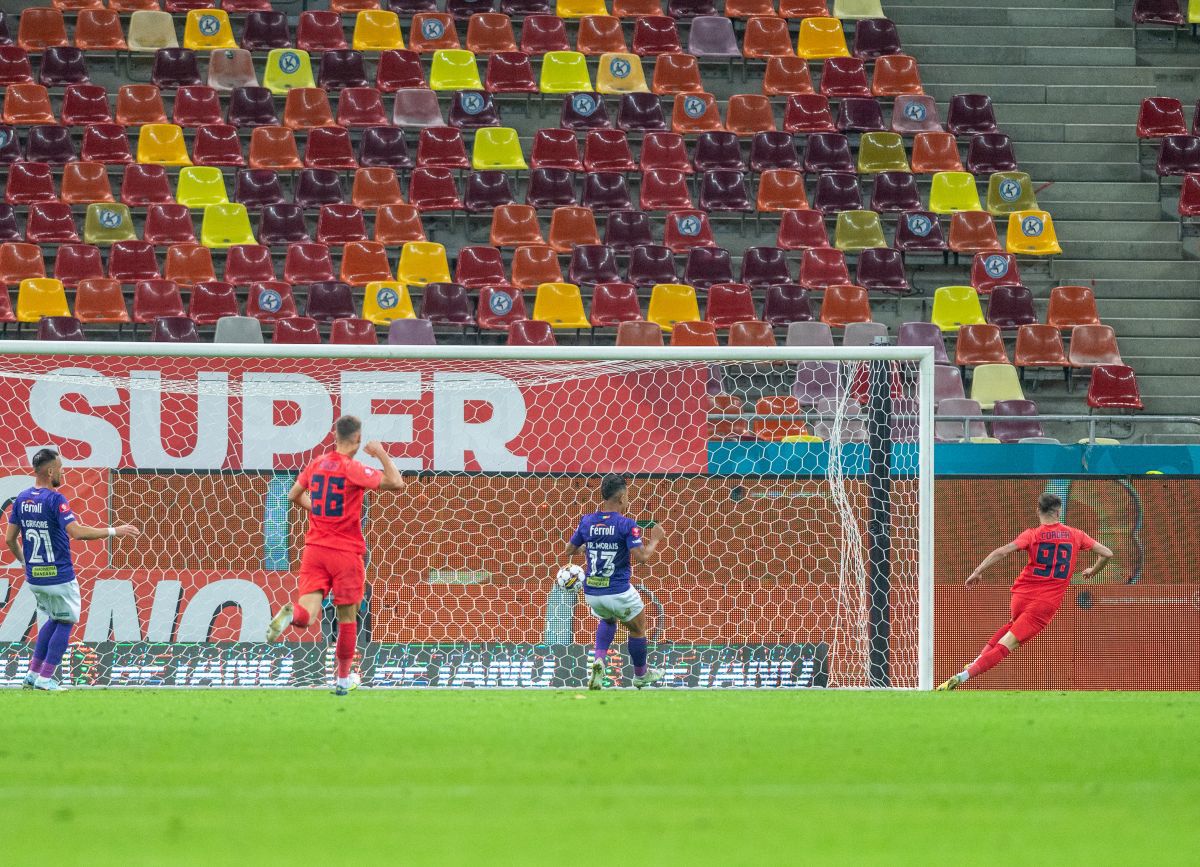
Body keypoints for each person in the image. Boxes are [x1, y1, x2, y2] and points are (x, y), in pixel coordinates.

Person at [265, 416, 403, 696]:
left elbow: (293, 495)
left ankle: (290, 614)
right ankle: (342, 682)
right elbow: (396, 483)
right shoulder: (352, 468)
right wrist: (380, 453)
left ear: (336, 436)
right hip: (346, 553)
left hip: (315, 550)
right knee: (347, 617)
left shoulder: (317, 464)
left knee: (307, 616)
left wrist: (317, 511)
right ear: (357, 439)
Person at [937, 492, 1113, 691]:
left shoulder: (1032, 534)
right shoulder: (1076, 535)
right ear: (1059, 511)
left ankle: (976, 661)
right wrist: (1093, 570)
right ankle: (963, 677)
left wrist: (978, 571)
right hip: (1044, 604)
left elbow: (1002, 551)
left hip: (1021, 595)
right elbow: (1107, 553)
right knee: (1008, 644)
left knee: (1011, 627)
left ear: (1038, 510)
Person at [4, 448, 140, 691]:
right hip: (58, 575)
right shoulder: (55, 499)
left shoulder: (22, 498)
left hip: (36, 576)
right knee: (65, 622)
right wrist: (114, 531)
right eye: (61, 469)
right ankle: (46, 679)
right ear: (50, 471)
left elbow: (10, 539)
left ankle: (32, 675)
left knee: (54, 619)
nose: (63, 474)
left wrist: (26, 563)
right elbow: (76, 533)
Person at [565, 474, 667, 691]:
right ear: (621, 497)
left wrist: (587, 547)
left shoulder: (587, 521)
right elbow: (642, 557)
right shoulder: (625, 524)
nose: (628, 500)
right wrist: (655, 539)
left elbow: (569, 551)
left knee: (609, 620)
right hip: (619, 591)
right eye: (628, 496)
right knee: (638, 628)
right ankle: (641, 675)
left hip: (592, 592)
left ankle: (599, 661)